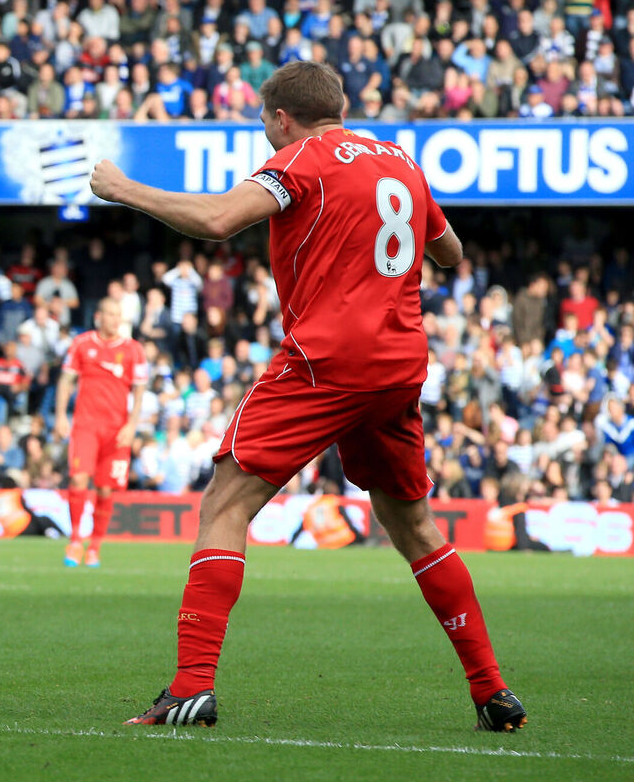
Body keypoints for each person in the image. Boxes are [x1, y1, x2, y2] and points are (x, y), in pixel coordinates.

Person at [90, 61, 526, 733]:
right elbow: (451, 252)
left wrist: (122, 188)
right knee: (415, 526)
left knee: (227, 501)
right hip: (400, 362)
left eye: (264, 122)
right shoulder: (399, 159)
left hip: (328, 358)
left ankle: (190, 687)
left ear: (280, 118)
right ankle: (492, 688)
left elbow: (216, 219)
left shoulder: (300, 159)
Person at [54, 297, 147, 568]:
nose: (114, 319)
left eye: (118, 315)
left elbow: (139, 390)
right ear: (99, 316)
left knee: (106, 490)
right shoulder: (82, 343)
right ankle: (74, 541)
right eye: (109, 314)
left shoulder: (134, 350)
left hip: (117, 430)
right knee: (79, 479)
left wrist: (132, 425)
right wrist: (61, 415)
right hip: (85, 425)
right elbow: (66, 380)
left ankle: (95, 547)